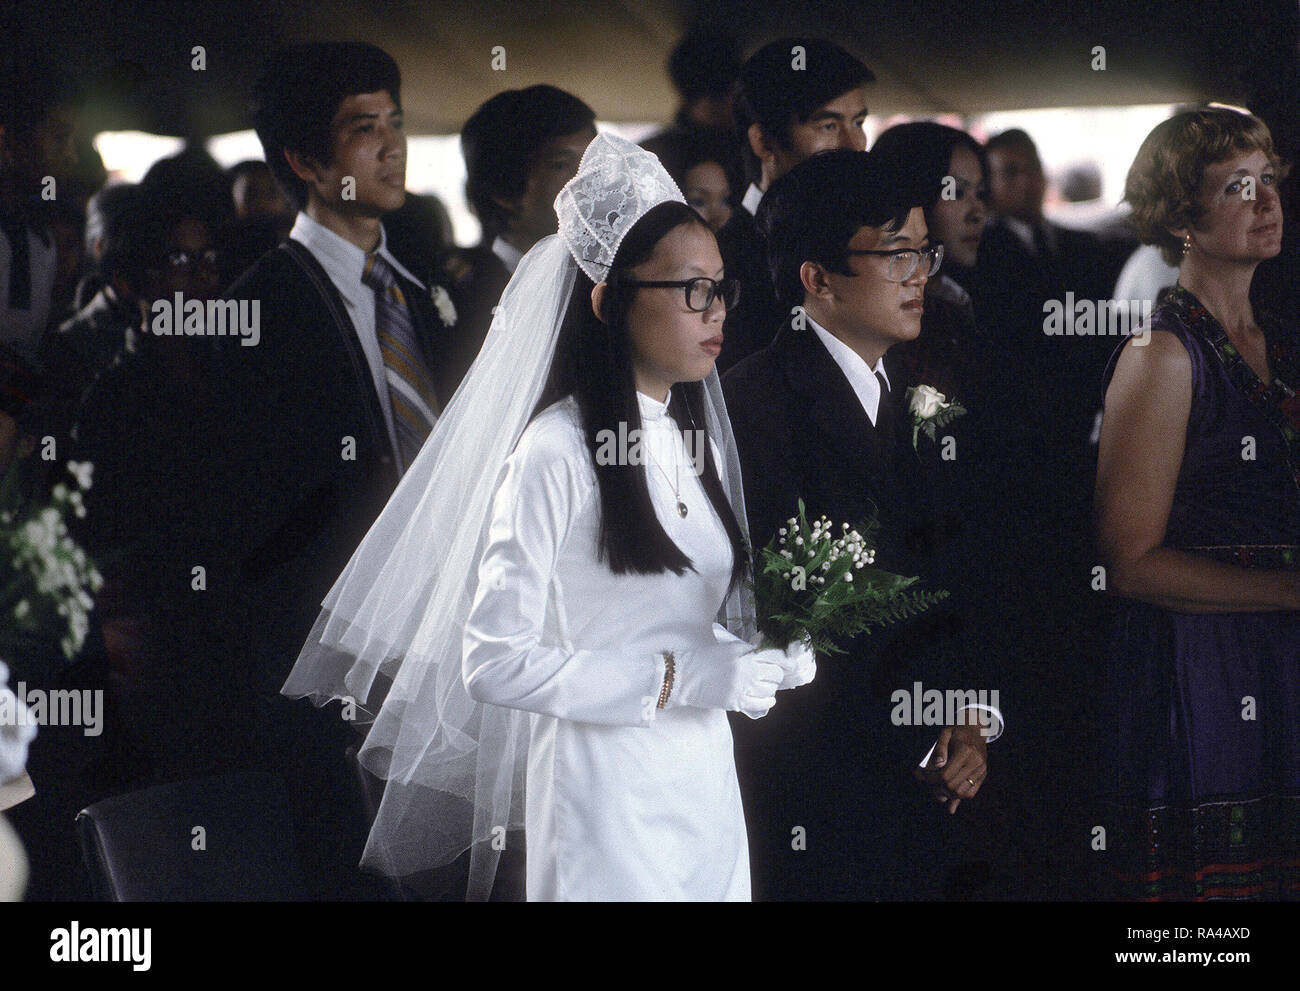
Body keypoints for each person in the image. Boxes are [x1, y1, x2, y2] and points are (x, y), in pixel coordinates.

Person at [283, 133, 812, 901]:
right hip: (603, 792)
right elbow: (494, 660)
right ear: (608, 299)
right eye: (690, 289)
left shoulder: (689, 438)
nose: (714, 311)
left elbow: (676, 616)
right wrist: (678, 677)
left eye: (721, 288)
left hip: (700, 780)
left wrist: (759, 658)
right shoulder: (556, 452)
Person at [724, 149, 1002, 900]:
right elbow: (782, 613)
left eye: (924, 249)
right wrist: (920, 742)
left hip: (930, 771)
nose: (921, 273)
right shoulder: (754, 405)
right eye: (896, 253)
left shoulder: (913, 383)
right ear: (815, 278)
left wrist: (970, 715)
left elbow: (954, 573)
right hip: (817, 778)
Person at [1095, 107, 1300, 900]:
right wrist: (1289, 588)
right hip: (1200, 672)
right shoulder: (1164, 354)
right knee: (1204, 924)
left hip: (1277, 665)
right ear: (1182, 217)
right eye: (1237, 188)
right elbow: (1129, 563)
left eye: (1270, 181)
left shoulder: (1280, 340)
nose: (1266, 202)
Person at [715, 37, 874, 371]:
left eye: (858, 123)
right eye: (829, 125)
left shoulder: (867, 240)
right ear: (763, 140)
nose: (855, 145)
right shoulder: (723, 261)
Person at [445, 85, 596, 383]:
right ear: (504, 189)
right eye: (562, 165)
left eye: (593, 161)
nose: (588, 180)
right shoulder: (465, 297)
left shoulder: (603, 279)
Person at [870, 121, 988, 399]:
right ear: (914, 192)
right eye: (956, 193)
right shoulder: (885, 320)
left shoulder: (975, 292)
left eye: (980, 193)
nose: (978, 212)